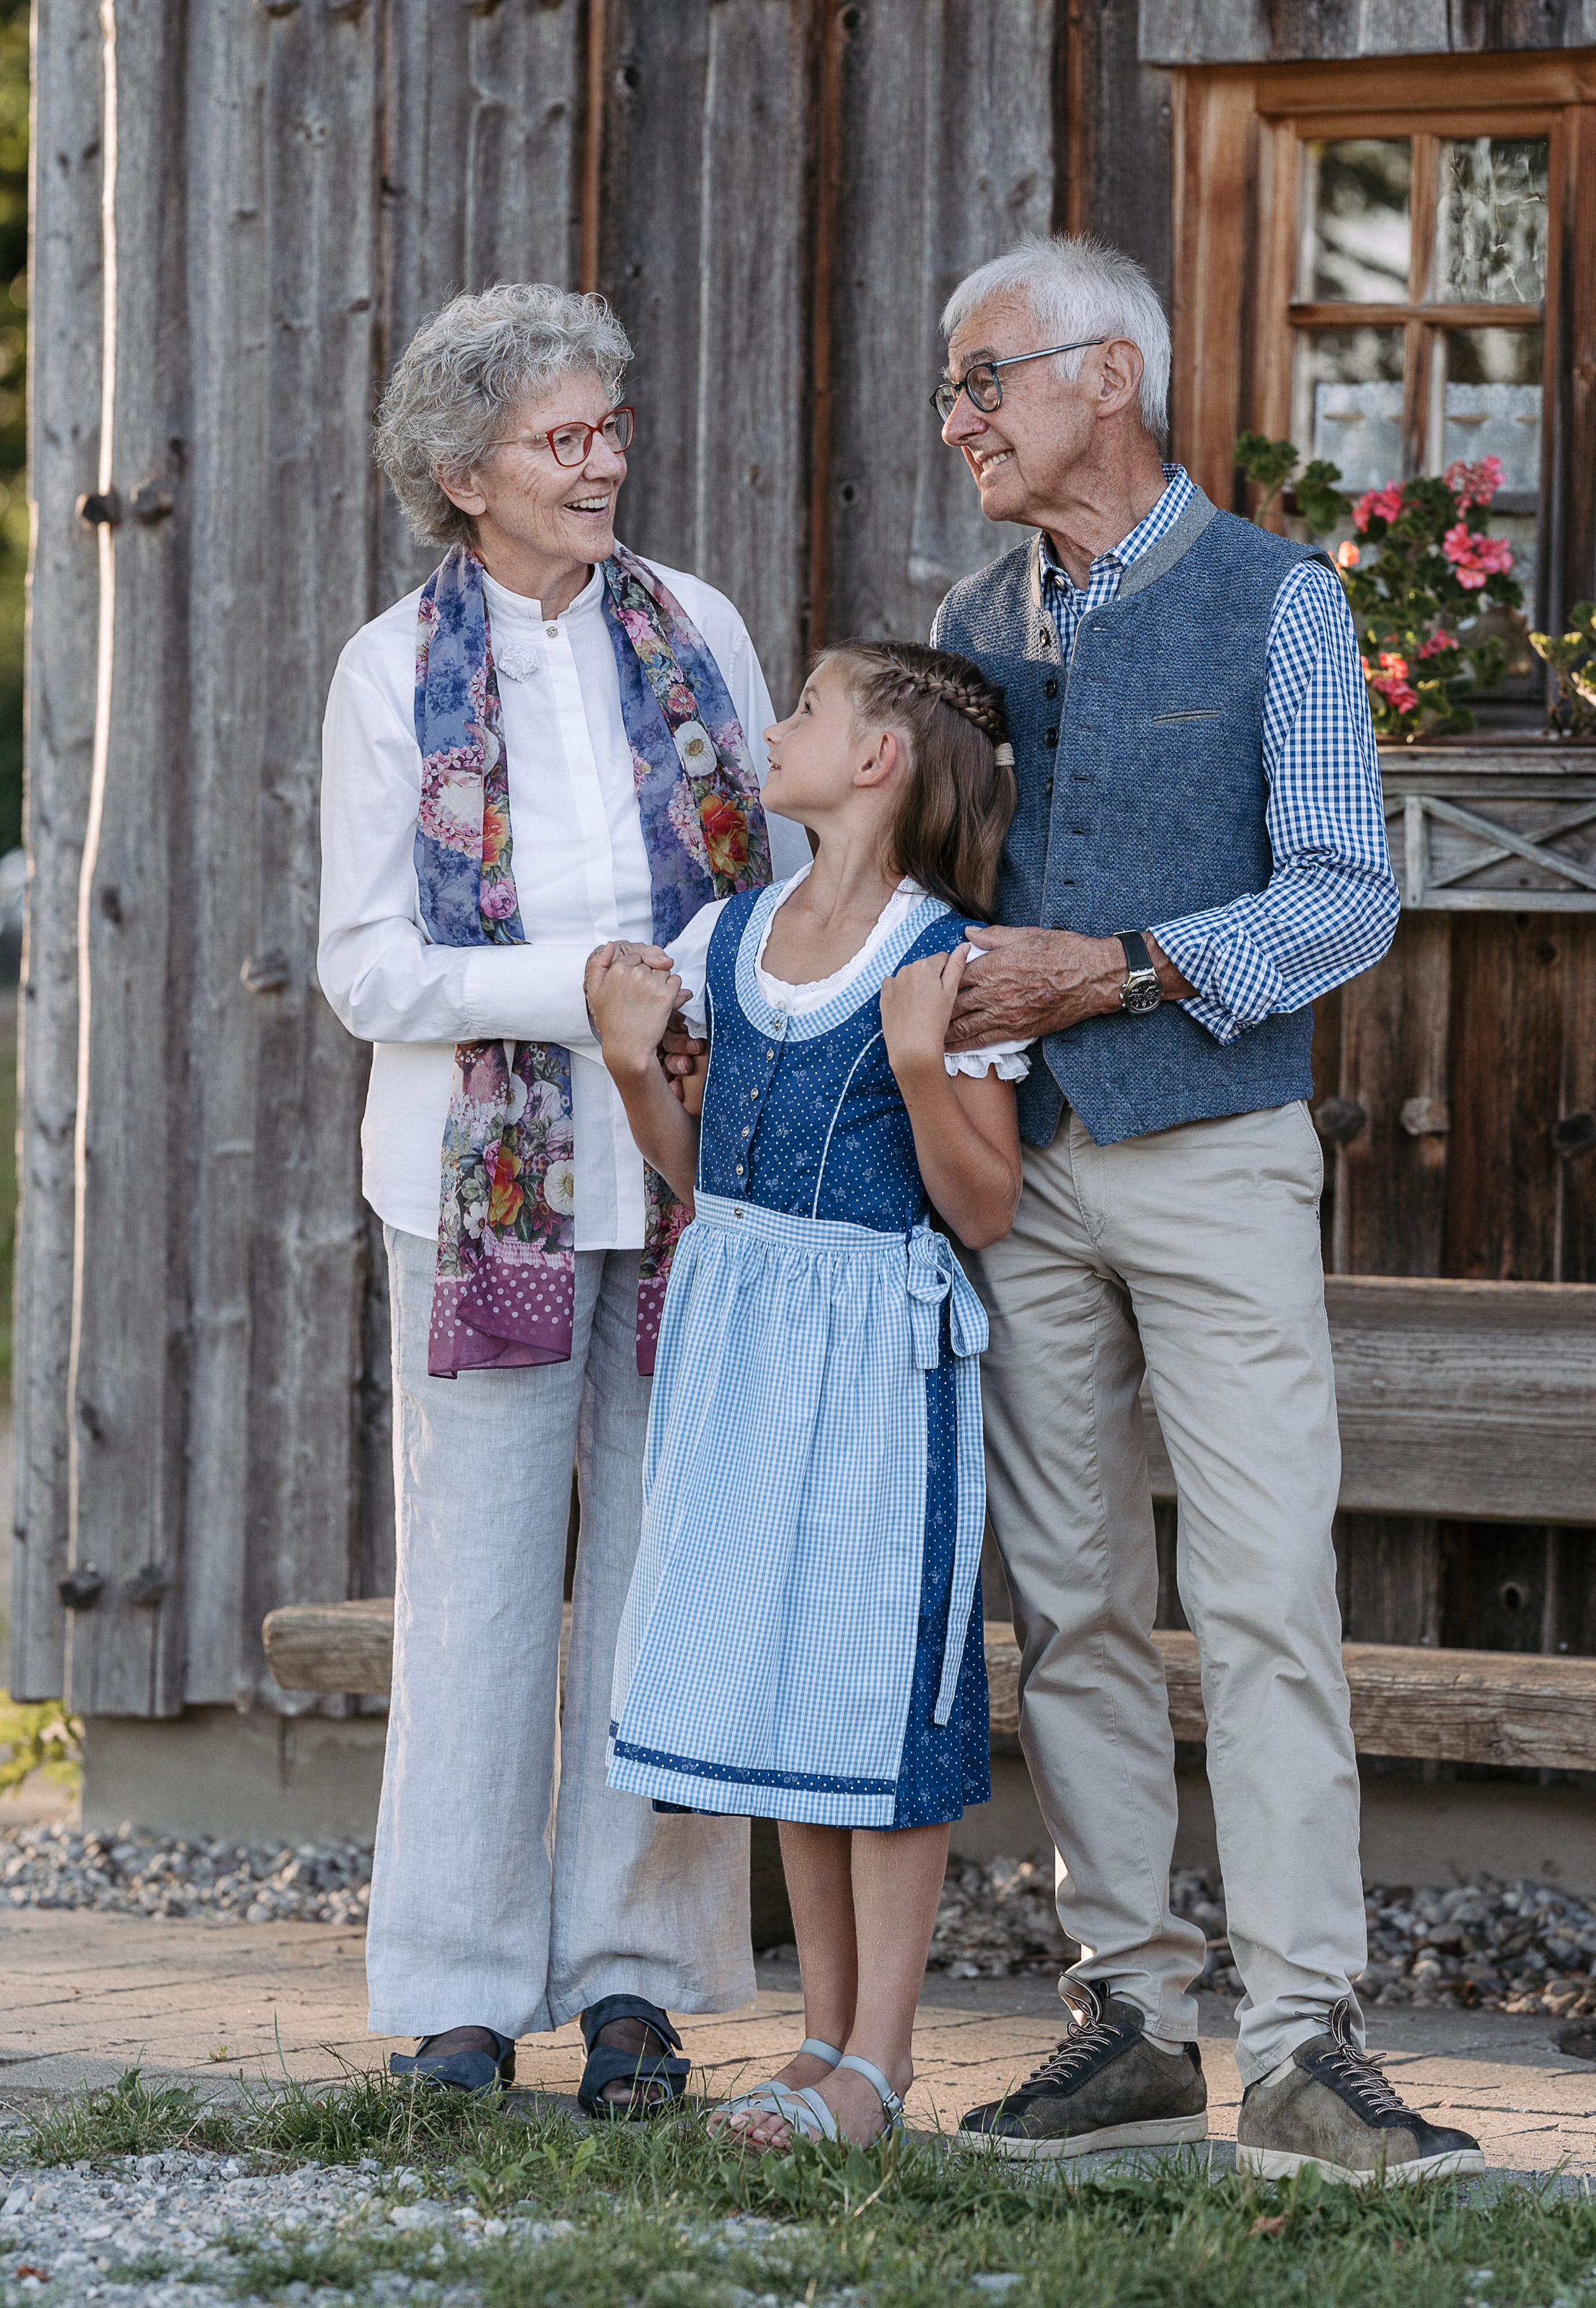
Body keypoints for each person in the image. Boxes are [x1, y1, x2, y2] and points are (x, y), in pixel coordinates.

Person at [929, 235, 1483, 2184]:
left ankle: (1310, 2039)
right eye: (952, 388)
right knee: (1068, 1601)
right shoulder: (970, 616)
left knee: (1261, 1596)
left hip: (1215, 1152)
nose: (959, 418)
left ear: (1107, 376)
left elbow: (1344, 894)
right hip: (1023, 1172)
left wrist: (1121, 970)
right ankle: (1132, 2020)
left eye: (984, 379)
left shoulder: (1277, 598)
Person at [317, 283, 808, 2112]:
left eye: (612, 427)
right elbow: (368, 966)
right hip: (481, 1192)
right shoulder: (390, 671)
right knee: (475, 1589)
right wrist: (588, 994)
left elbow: (782, 882)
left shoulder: (699, 628)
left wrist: (696, 1000)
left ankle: (635, 1982)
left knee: (659, 1582)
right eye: (563, 437)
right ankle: (455, 1992)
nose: (604, 462)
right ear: (465, 474)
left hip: (683, 1174)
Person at [583, 641, 1025, 2150]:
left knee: (876, 1692)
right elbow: (700, 1177)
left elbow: (985, 1207)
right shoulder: (728, 935)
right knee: (790, 1679)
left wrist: (919, 1066)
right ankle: (817, 2040)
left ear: (880, 759)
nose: (774, 730)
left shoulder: (948, 960)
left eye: (808, 711)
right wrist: (633, 1070)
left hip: (879, 1356)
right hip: (742, 1341)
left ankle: (880, 2064)